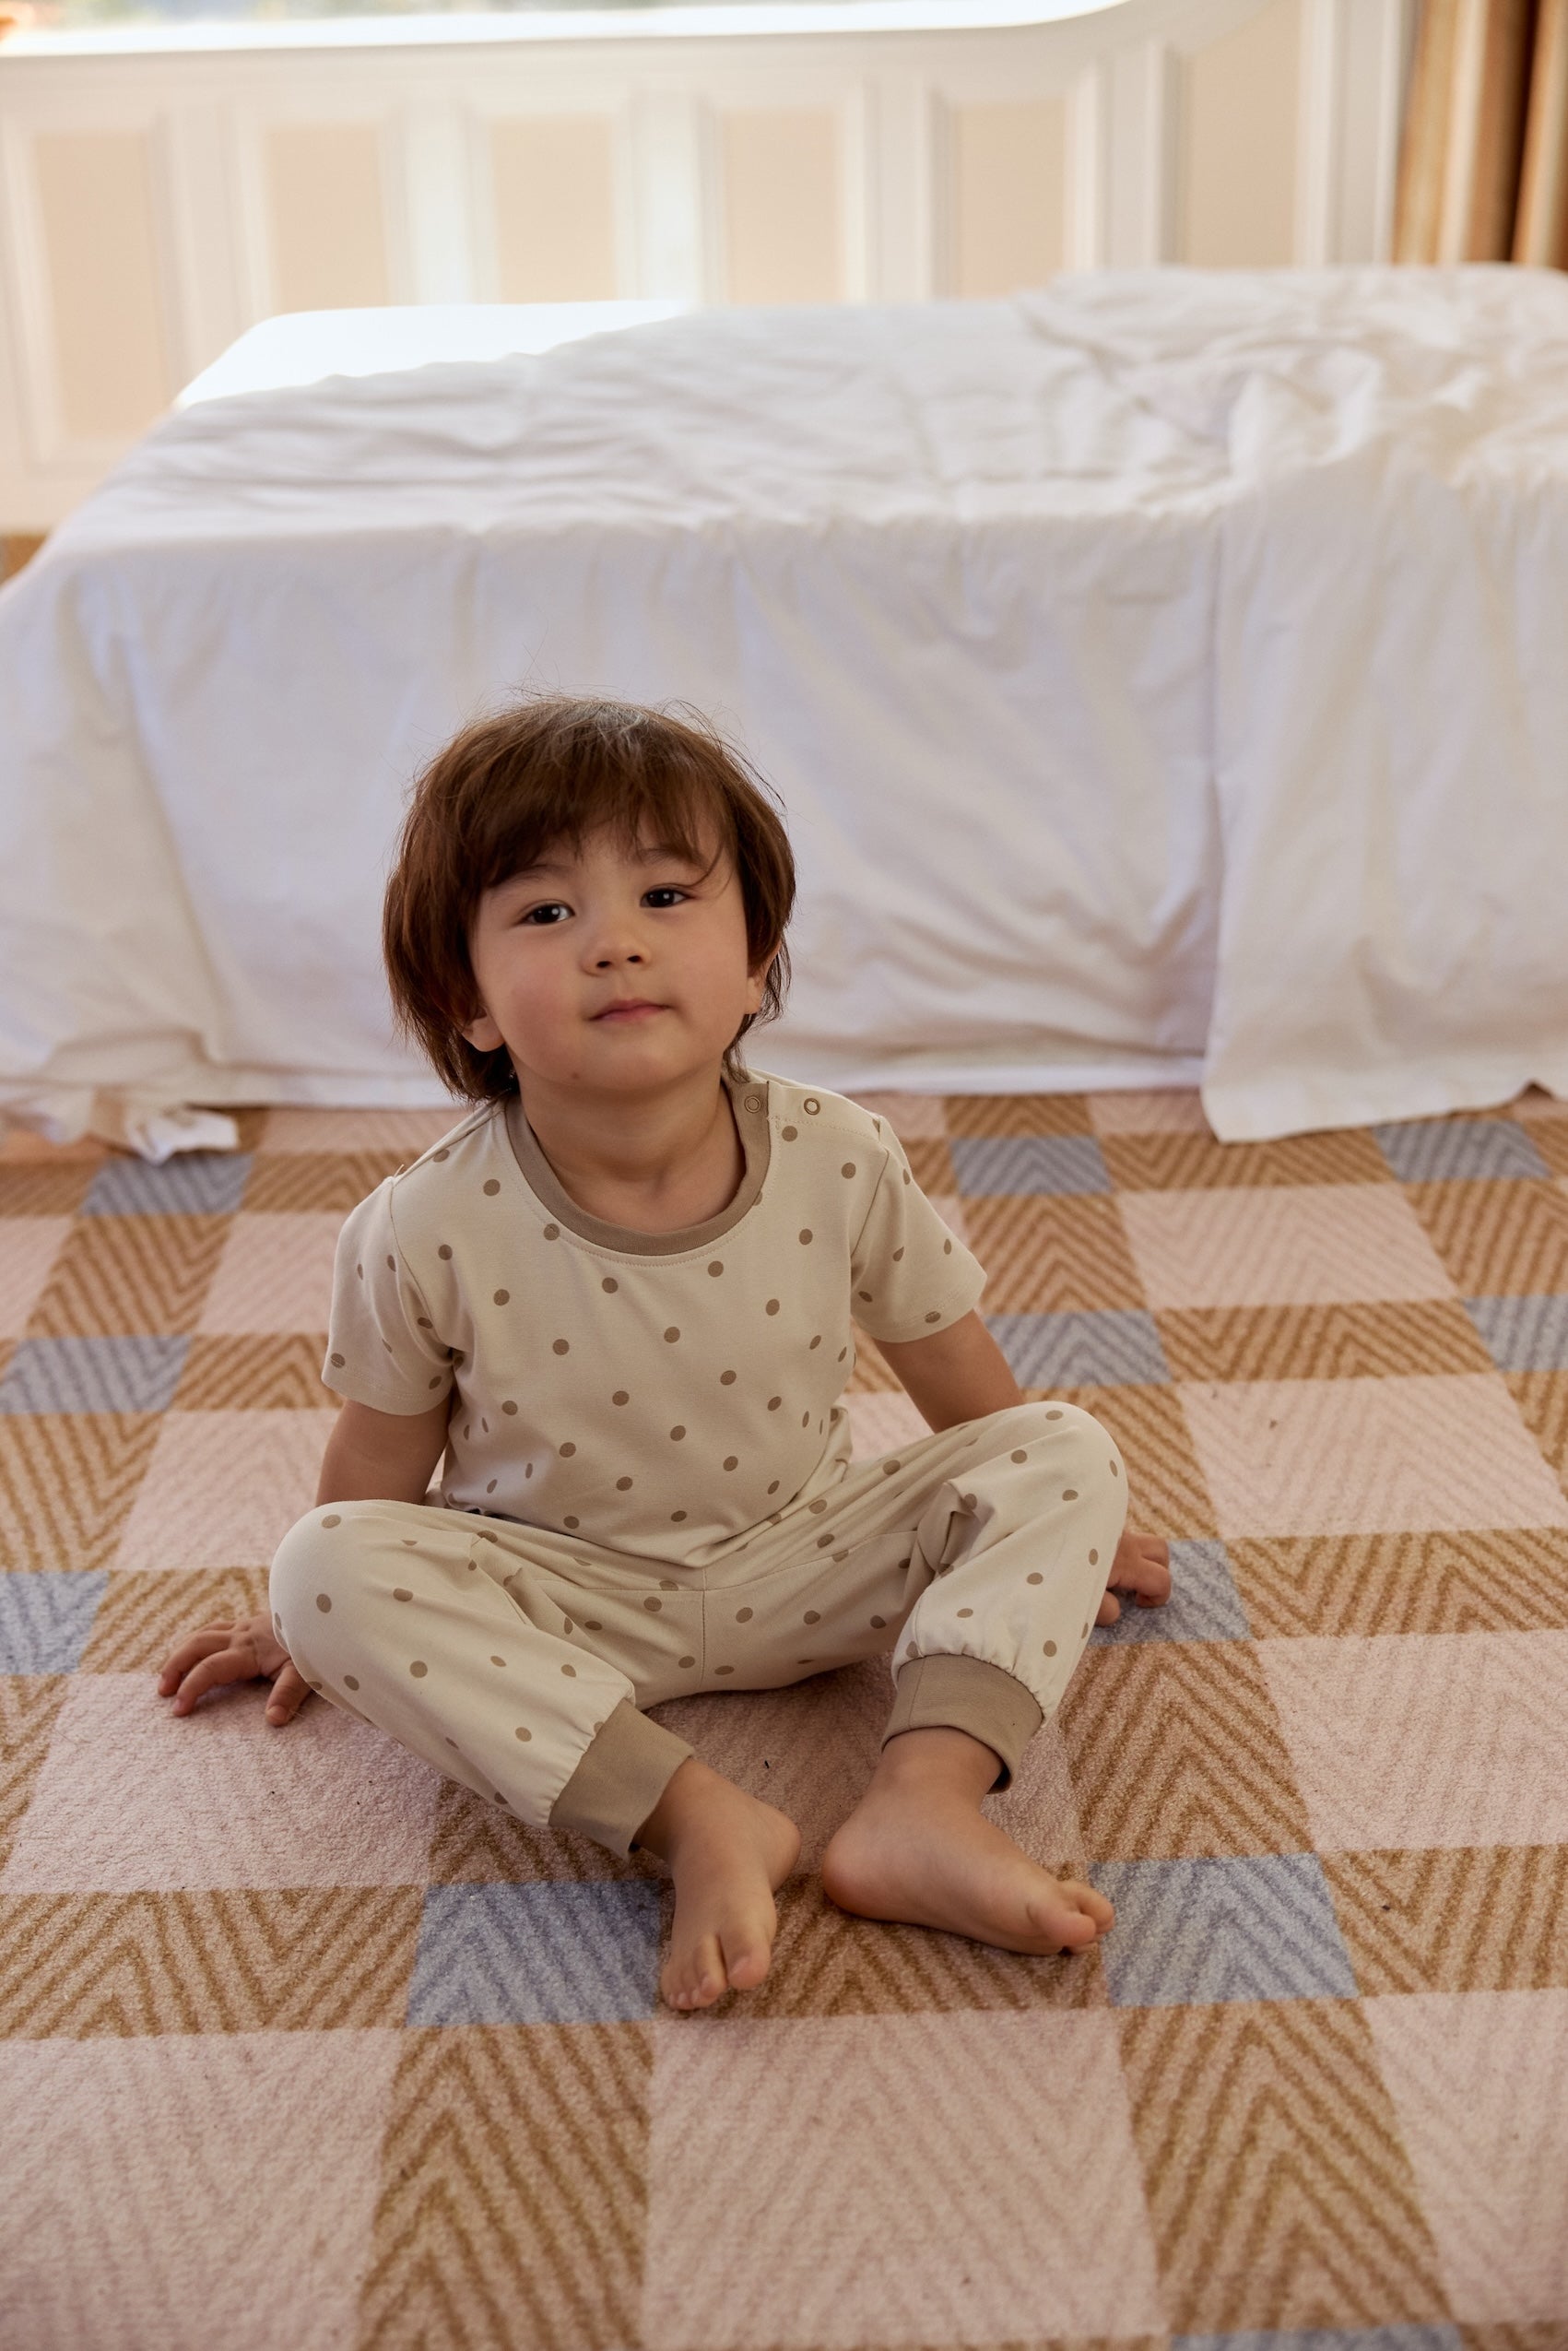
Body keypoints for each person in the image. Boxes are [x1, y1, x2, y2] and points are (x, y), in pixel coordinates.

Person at [158, 695, 1172, 2013]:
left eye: (665, 895)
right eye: (546, 912)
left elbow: (952, 1371)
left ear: (755, 962)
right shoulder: (422, 1224)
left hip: (811, 1563)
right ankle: (697, 1817)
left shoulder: (840, 1154)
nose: (616, 942)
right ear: (467, 1002)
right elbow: (379, 1459)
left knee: (1067, 1447)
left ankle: (921, 1806)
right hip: (559, 1603)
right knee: (324, 1564)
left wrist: (1045, 1532)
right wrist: (307, 1623)